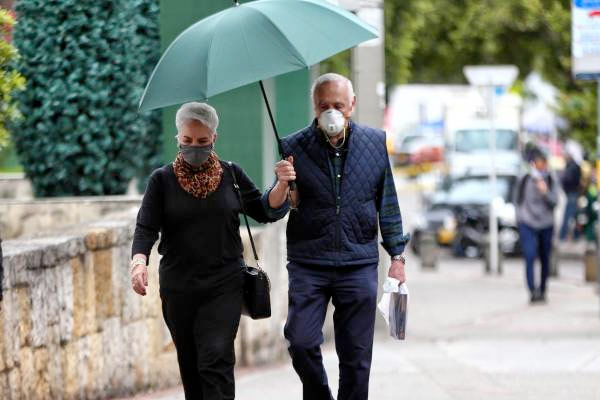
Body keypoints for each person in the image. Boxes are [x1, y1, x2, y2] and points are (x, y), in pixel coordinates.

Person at [130, 102, 291, 400]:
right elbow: (145, 228)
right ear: (178, 138)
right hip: (179, 289)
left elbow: (265, 210)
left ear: (214, 138)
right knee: (191, 369)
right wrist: (139, 262)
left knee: (215, 358)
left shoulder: (231, 175)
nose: (194, 148)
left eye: (202, 142)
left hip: (224, 285)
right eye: (188, 141)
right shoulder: (161, 181)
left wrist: (282, 184)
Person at [266, 73, 410, 400]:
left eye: (339, 105)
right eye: (324, 105)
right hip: (308, 263)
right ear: (314, 107)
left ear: (353, 105)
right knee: (300, 342)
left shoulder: (374, 143)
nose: (332, 112)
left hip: (358, 263)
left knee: (357, 360)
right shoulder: (291, 147)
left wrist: (397, 258)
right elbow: (273, 209)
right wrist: (281, 185)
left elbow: (387, 204)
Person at [513, 148, 560, 303]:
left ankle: (543, 289)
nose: (539, 165)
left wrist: (545, 192)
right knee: (529, 255)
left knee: (545, 258)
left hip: (546, 223)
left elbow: (555, 202)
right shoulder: (525, 178)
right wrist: (519, 217)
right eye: (537, 162)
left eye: (542, 162)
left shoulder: (551, 179)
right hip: (527, 222)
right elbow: (517, 199)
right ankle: (532, 291)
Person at [559, 140, 583, 241]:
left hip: (572, 193)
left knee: (569, 215)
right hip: (573, 193)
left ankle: (563, 235)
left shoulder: (572, 166)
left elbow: (568, 180)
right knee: (574, 215)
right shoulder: (573, 166)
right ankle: (575, 235)